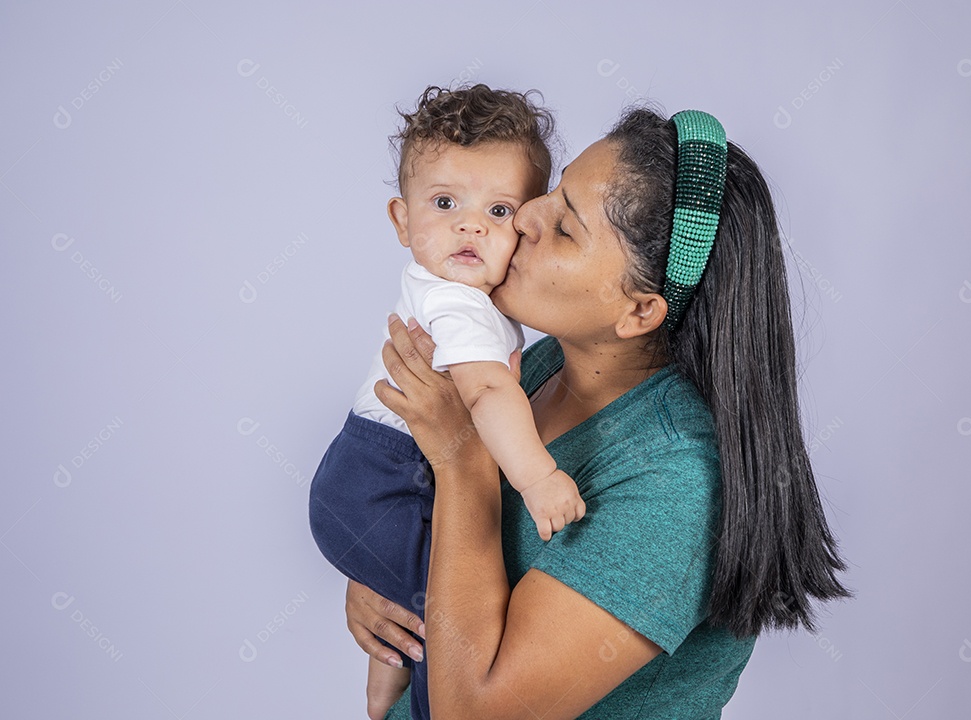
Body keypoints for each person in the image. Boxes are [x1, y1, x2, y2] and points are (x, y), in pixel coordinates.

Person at [346, 106, 852, 719]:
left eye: (564, 227)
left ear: (639, 311)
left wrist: (463, 458)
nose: (525, 213)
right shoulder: (537, 370)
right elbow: (450, 557)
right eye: (554, 190)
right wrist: (383, 574)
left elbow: (472, 715)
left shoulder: (676, 482)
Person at [308, 85, 587, 720]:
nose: (469, 226)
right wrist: (539, 477)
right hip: (386, 476)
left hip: (371, 477)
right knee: (451, 618)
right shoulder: (457, 301)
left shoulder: (462, 298)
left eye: (497, 211)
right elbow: (487, 394)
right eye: (444, 203)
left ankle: (382, 693)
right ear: (401, 219)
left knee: (422, 599)